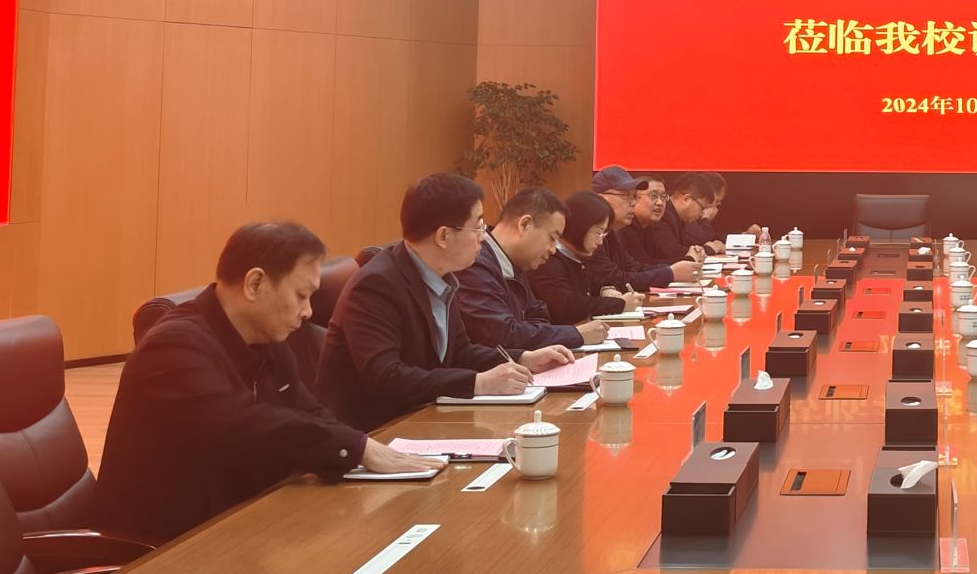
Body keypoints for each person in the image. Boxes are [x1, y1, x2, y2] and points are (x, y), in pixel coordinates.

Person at [94, 223, 438, 543]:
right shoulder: (172, 347)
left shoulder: (266, 341)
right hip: (161, 549)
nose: (307, 311)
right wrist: (355, 448)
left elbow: (309, 411)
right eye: (300, 295)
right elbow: (243, 426)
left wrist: (365, 451)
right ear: (255, 284)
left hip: (236, 524)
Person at [317, 175, 546, 431]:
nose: (483, 237)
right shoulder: (376, 285)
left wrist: (524, 358)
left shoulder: (441, 276)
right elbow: (386, 377)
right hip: (378, 432)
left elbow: (460, 353)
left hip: (424, 417)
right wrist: (477, 383)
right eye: (478, 228)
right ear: (443, 236)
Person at [457, 187, 605, 354]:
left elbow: (539, 315)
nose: (553, 250)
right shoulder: (474, 265)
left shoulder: (515, 264)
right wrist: (574, 334)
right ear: (525, 225)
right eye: (552, 238)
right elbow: (500, 335)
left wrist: (529, 333)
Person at [530, 190, 635, 324]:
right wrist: (620, 304)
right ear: (580, 227)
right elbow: (568, 306)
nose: (600, 242)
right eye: (598, 233)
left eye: (603, 234)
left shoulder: (577, 256)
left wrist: (605, 290)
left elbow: (591, 284)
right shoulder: (547, 259)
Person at [588, 166, 692, 290]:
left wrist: (673, 270)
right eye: (626, 196)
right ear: (601, 199)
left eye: (634, 196)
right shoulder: (588, 233)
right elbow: (613, 279)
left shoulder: (611, 232)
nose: (633, 203)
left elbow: (633, 267)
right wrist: (669, 274)